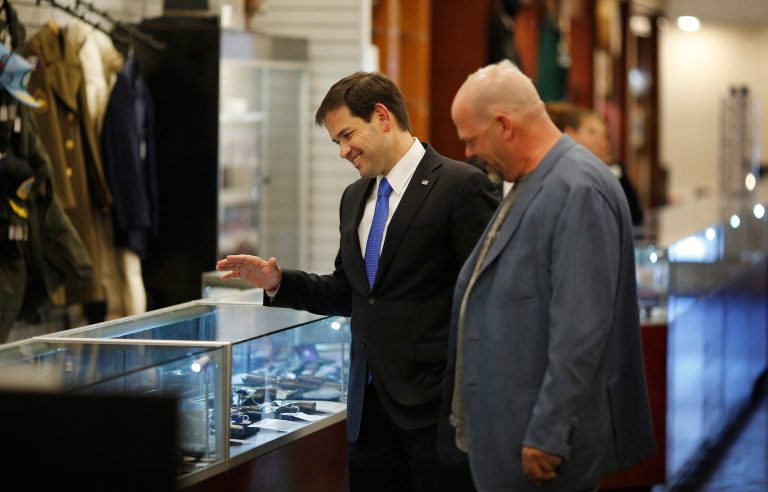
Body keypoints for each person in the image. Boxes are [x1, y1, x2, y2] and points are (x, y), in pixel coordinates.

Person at [216, 71, 500, 491]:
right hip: (368, 414)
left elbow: (489, 300)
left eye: (347, 135)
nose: (343, 151)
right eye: (336, 142)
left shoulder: (461, 186)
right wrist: (277, 281)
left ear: (383, 117)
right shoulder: (355, 198)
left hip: (436, 415)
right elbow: (352, 292)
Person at [440, 60, 655, 491]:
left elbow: (581, 331)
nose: (466, 153)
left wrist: (548, 432)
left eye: (471, 140)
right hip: (510, 435)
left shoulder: (577, 188)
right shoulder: (535, 177)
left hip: (540, 448)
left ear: (504, 125)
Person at [546, 101, 644, 226]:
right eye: (592, 132)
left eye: (604, 135)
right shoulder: (558, 173)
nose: (601, 141)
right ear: (570, 133)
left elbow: (634, 216)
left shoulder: (612, 170)